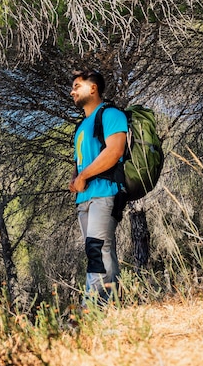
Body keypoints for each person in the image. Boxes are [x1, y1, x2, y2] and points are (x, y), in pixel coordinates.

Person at [69, 69, 127, 305]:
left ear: (93, 88)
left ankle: (91, 308)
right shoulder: (81, 127)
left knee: (97, 249)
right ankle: (114, 304)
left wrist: (83, 176)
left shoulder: (111, 114)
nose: (72, 91)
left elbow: (115, 151)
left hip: (106, 193)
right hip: (85, 198)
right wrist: (75, 179)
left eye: (77, 86)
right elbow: (80, 160)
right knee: (101, 252)